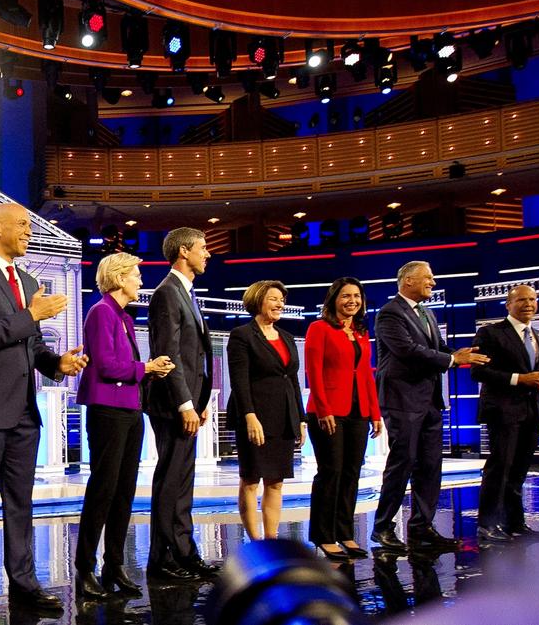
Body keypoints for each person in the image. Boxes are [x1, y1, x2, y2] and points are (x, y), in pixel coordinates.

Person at [0, 202, 87, 619]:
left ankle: (24, 583)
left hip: (24, 408)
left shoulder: (27, 280)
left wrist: (56, 364)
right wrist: (32, 314)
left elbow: (33, 345)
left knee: (19, 502)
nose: (29, 231)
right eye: (23, 225)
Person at [74, 253, 175, 600]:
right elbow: (105, 365)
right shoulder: (101, 312)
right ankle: (84, 569)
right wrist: (145, 368)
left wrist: (147, 369)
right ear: (118, 278)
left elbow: (125, 364)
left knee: (124, 491)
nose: (140, 280)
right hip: (107, 410)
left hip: (130, 409)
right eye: (135, 274)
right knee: (103, 490)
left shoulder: (124, 318)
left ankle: (113, 565)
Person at [371, 261, 488, 552]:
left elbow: (435, 348)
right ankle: (383, 528)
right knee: (403, 463)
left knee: (430, 466)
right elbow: (408, 351)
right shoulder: (389, 313)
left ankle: (422, 528)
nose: (433, 284)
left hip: (431, 400)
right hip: (403, 400)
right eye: (428, 278)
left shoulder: (427, 312)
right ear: (408, 280)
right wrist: (451, 361)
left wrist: (456, 353)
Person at [146, 227, 219, 582]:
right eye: (203, 248)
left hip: (189, 403)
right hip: (173, 406)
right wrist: (185, 404)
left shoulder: (185, 293)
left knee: (181, 483)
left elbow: (196, 354)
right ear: (184, 252)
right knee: (171, 482)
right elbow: (168, 354)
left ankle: (183, 555)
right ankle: (163, 562)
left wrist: (200, 401)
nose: (209, 254)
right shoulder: (167, 293)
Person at [471, 284, 539, 542]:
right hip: (502, 412)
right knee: (499, 468)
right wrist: (521, 379)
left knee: (519, 470)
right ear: (509, 304)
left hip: (531, 412)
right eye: (522, 300)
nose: (529, 304)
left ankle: (515, 523)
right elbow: (478, 372)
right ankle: (487, 525)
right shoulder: (490, 333)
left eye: (532, 299)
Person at [304, 277, 383, 560]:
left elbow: (366, 375)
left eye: (357, 296)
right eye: (346, 296)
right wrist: (324, 410)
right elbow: (313, 372)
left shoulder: (361, 332)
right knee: (331, 472)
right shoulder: (319, 328)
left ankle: (345, 533)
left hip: (358, 412)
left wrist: (375, 413)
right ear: (334, 299)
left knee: (351, 473)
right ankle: (324, 536)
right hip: (328, 412)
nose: (352, 301)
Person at [225, 280, 306, 541]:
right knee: (250, 480)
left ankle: (271, 540)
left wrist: (300, 419)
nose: (280, 303)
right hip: (255, 416)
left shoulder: (286, 337)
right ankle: (255, 542)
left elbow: (292, 379)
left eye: (281, 299)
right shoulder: (242, 335)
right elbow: (239, 380)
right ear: (258, 300)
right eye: (273, 298)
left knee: (276, 481)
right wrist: (249, 415)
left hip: (282, 417)